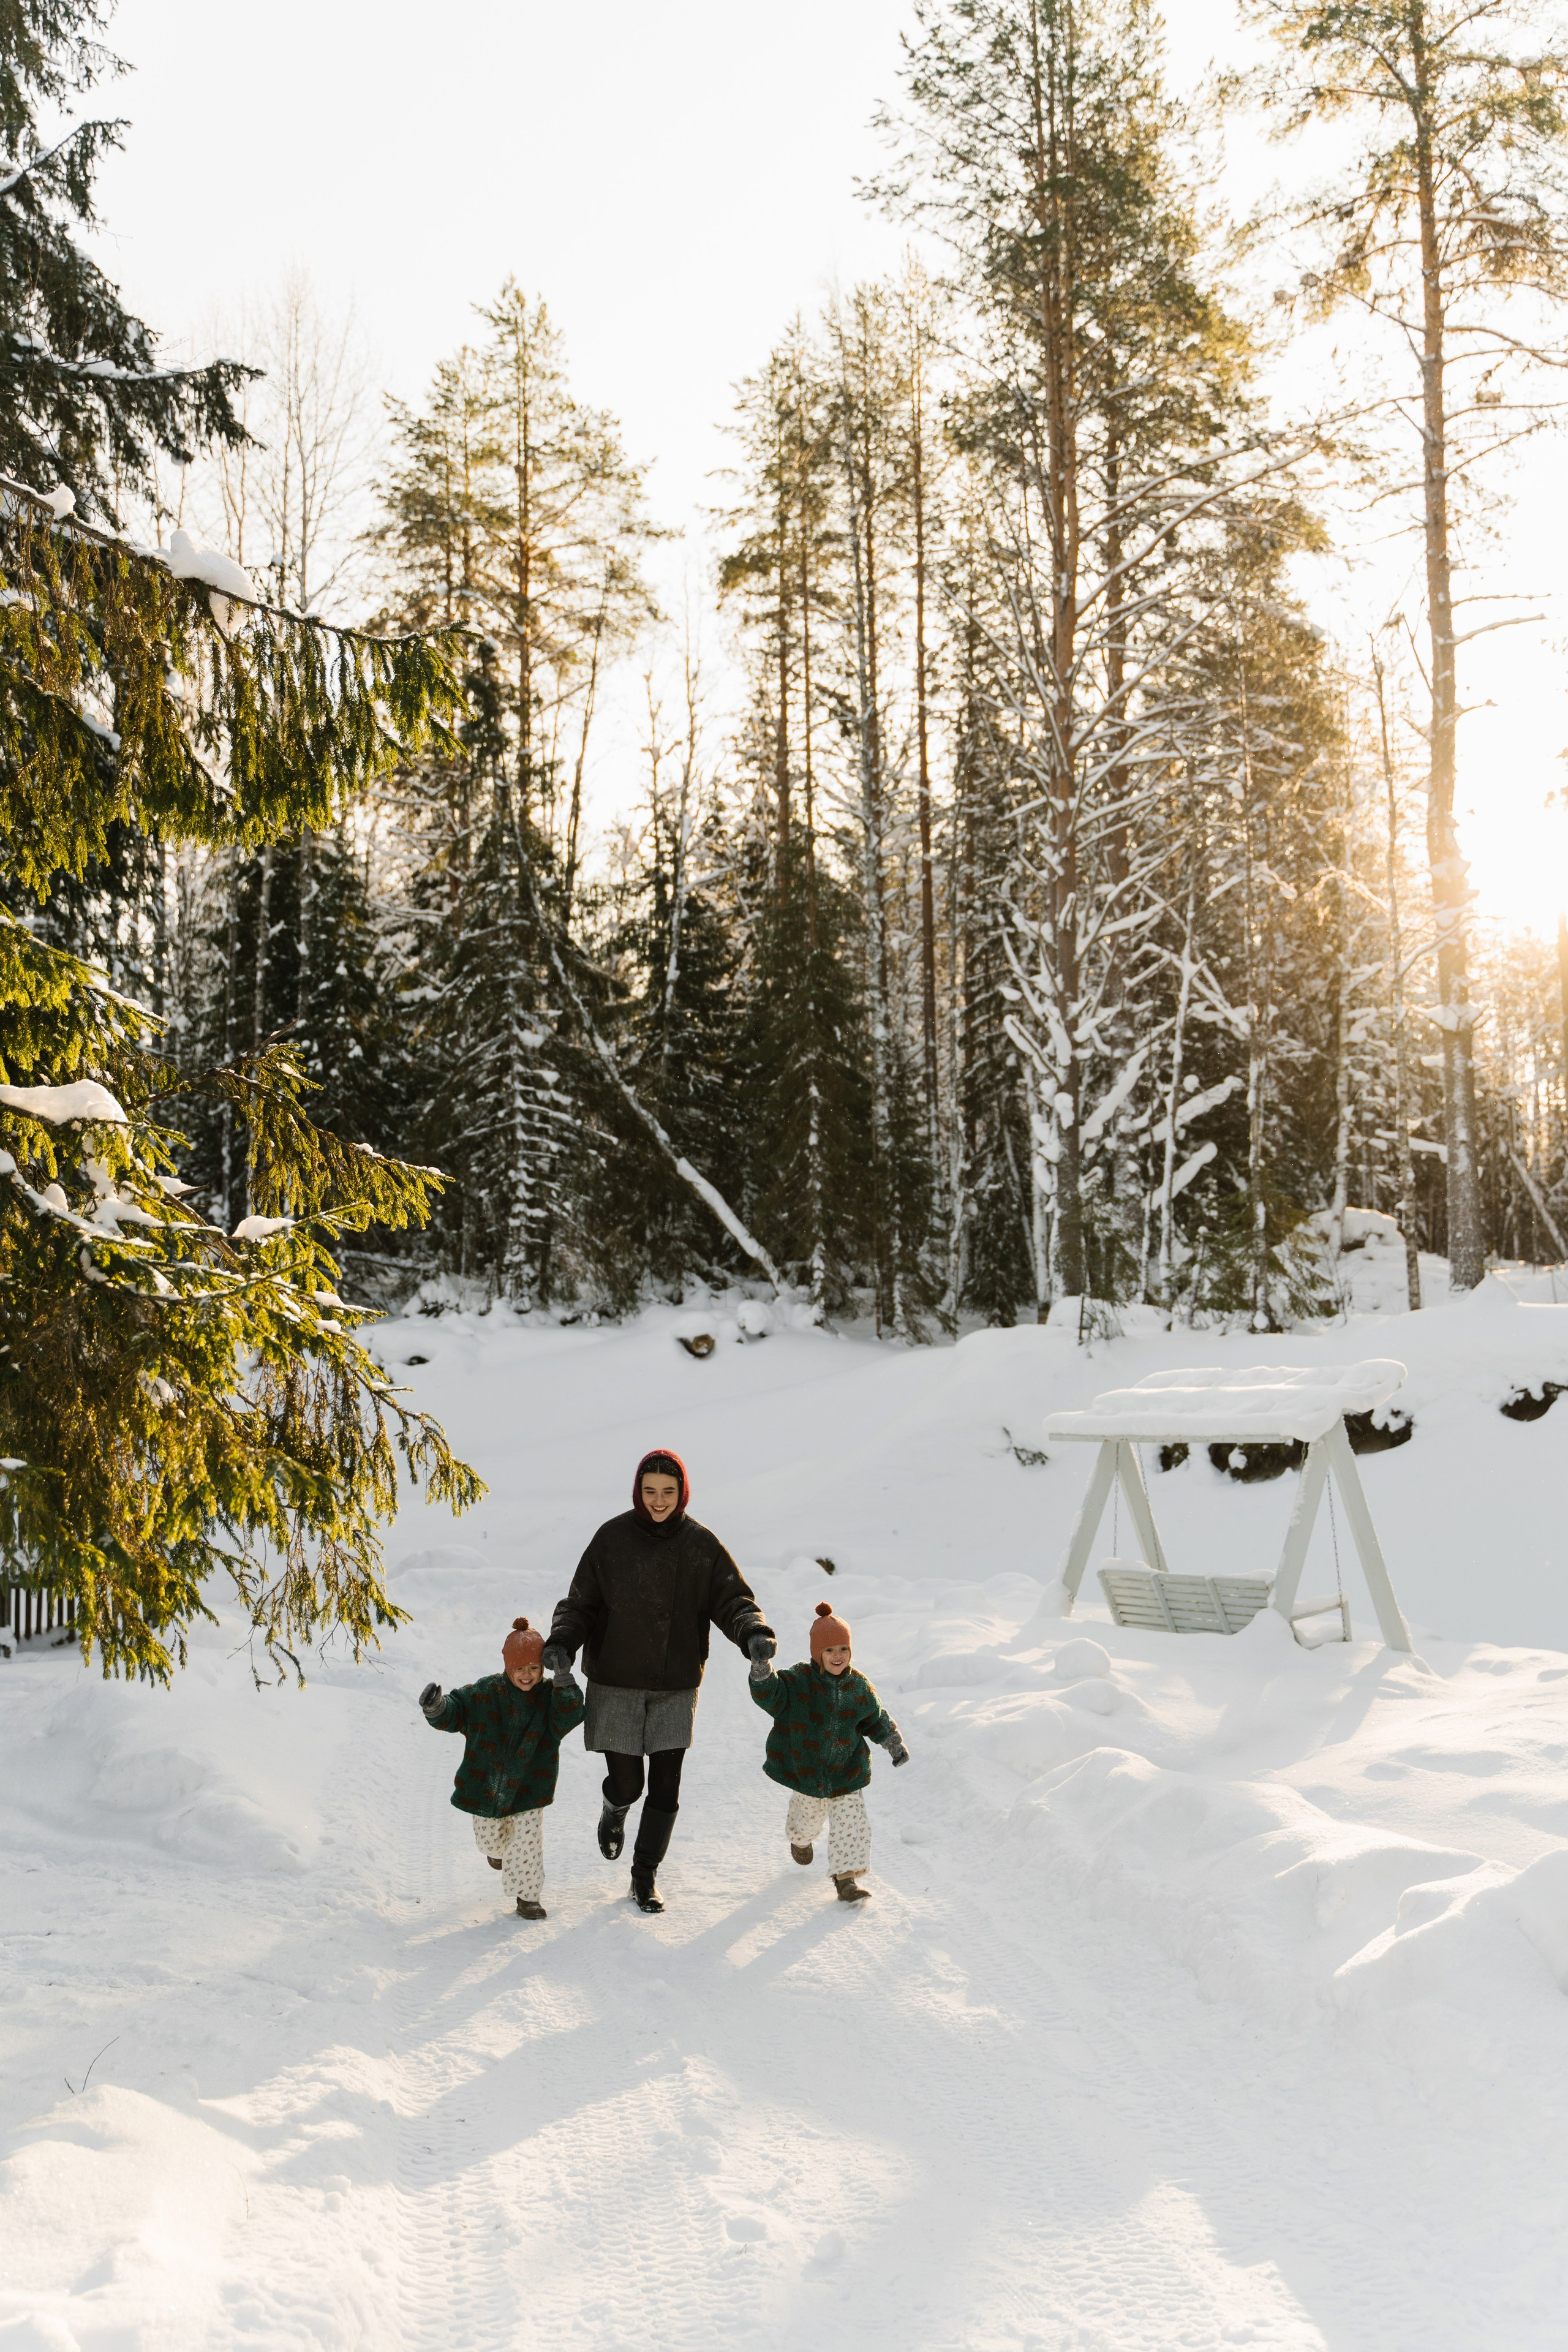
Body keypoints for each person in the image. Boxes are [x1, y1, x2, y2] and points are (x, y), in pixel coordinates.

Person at [543, 1447, 774, 1915]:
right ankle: (615, 1808)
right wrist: (563, 1641)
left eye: (668, 1491)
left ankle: (644, 1875)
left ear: (682, 1492)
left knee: (666, 1786)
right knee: (629, 1783)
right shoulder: (611, 1540)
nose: (659, 1500)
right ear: (637, 1491)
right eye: (650, 1491)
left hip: (676, 1683)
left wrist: (753, 1631)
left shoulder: (701, 1545)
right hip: (615, 1681)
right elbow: (580, 1603)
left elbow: (734, 1599)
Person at [418, 1616, 585, 1921]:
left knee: (527, 1843)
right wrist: (438, 1708)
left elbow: (570, 1715)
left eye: (534, 1668)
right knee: (490, 1840)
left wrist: (563, 1679)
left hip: (531, 1786)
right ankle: (496, 1853)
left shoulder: (550, 1696)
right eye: (520, 1669)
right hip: (486, 1784)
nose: (527, 1675)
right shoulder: (486, 1692)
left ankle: (528, 1898)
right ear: (509, 1667)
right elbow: (457, 1711)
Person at [748, 1598, 908, 1904]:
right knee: (807, 1819)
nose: (838, 1656)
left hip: (846, 1771)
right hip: (807, 1770)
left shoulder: (859, 1686)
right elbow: (771, 1695)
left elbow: (875, 1718)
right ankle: (800, 1839)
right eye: (830, 1650)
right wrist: (761, 1667)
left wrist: (893, 1742)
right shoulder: (798, 1681)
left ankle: (846, 1879)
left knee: (853, 1822)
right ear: (817, 1654)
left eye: (844, 1649)